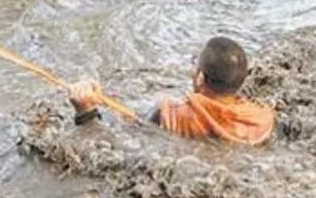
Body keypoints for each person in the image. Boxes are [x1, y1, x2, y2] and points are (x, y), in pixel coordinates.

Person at [69, 36, 275, 145]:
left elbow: (119, 133)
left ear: (201, 78)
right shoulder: (263, 119)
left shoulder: (168, 115)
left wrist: (85, 110)